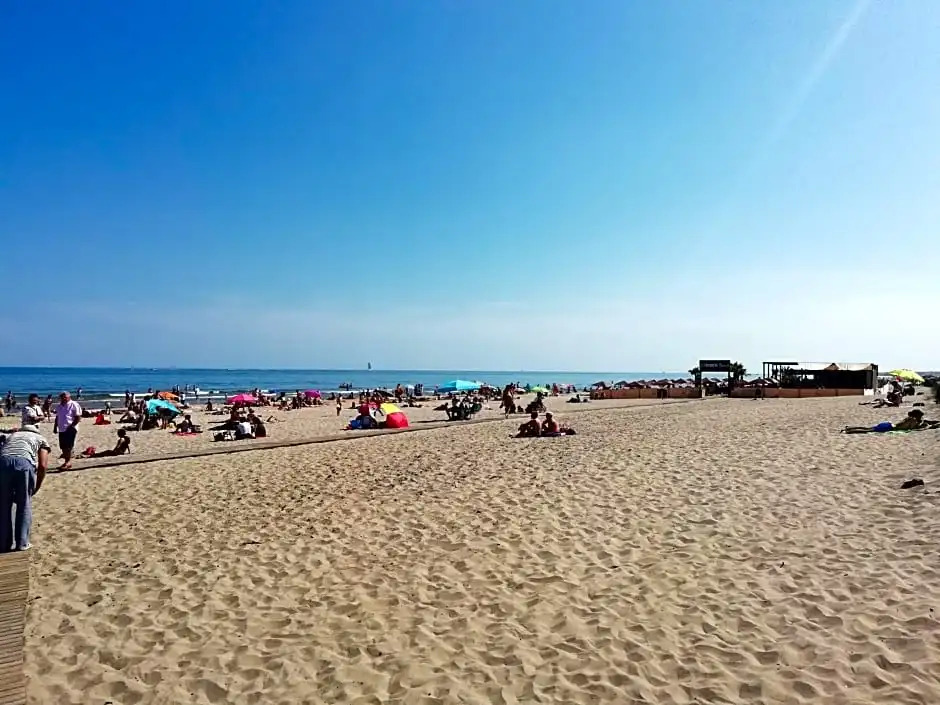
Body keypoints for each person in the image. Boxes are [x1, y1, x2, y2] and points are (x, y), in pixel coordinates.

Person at [0, 425, 49, 551]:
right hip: (23, 463)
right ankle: (22, 543)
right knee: (24, 504)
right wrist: (37, 486)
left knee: (4, 504)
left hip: (2, 463)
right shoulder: (40, 439)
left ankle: (4, 543)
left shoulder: (12, 436)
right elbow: (43, 465)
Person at [53, 391, 82, 470]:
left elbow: (78, 417)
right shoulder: (59, 406)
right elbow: (57, 417)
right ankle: (66, 461)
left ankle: (68, 462)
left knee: (68, 446)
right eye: (62, 397)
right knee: (63, 446)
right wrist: (55, 427)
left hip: (70, 428)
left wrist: (72, 426)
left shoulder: (74, 404)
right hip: (61, 428)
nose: (63, 399)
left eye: (65, 397)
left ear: (69, 397)